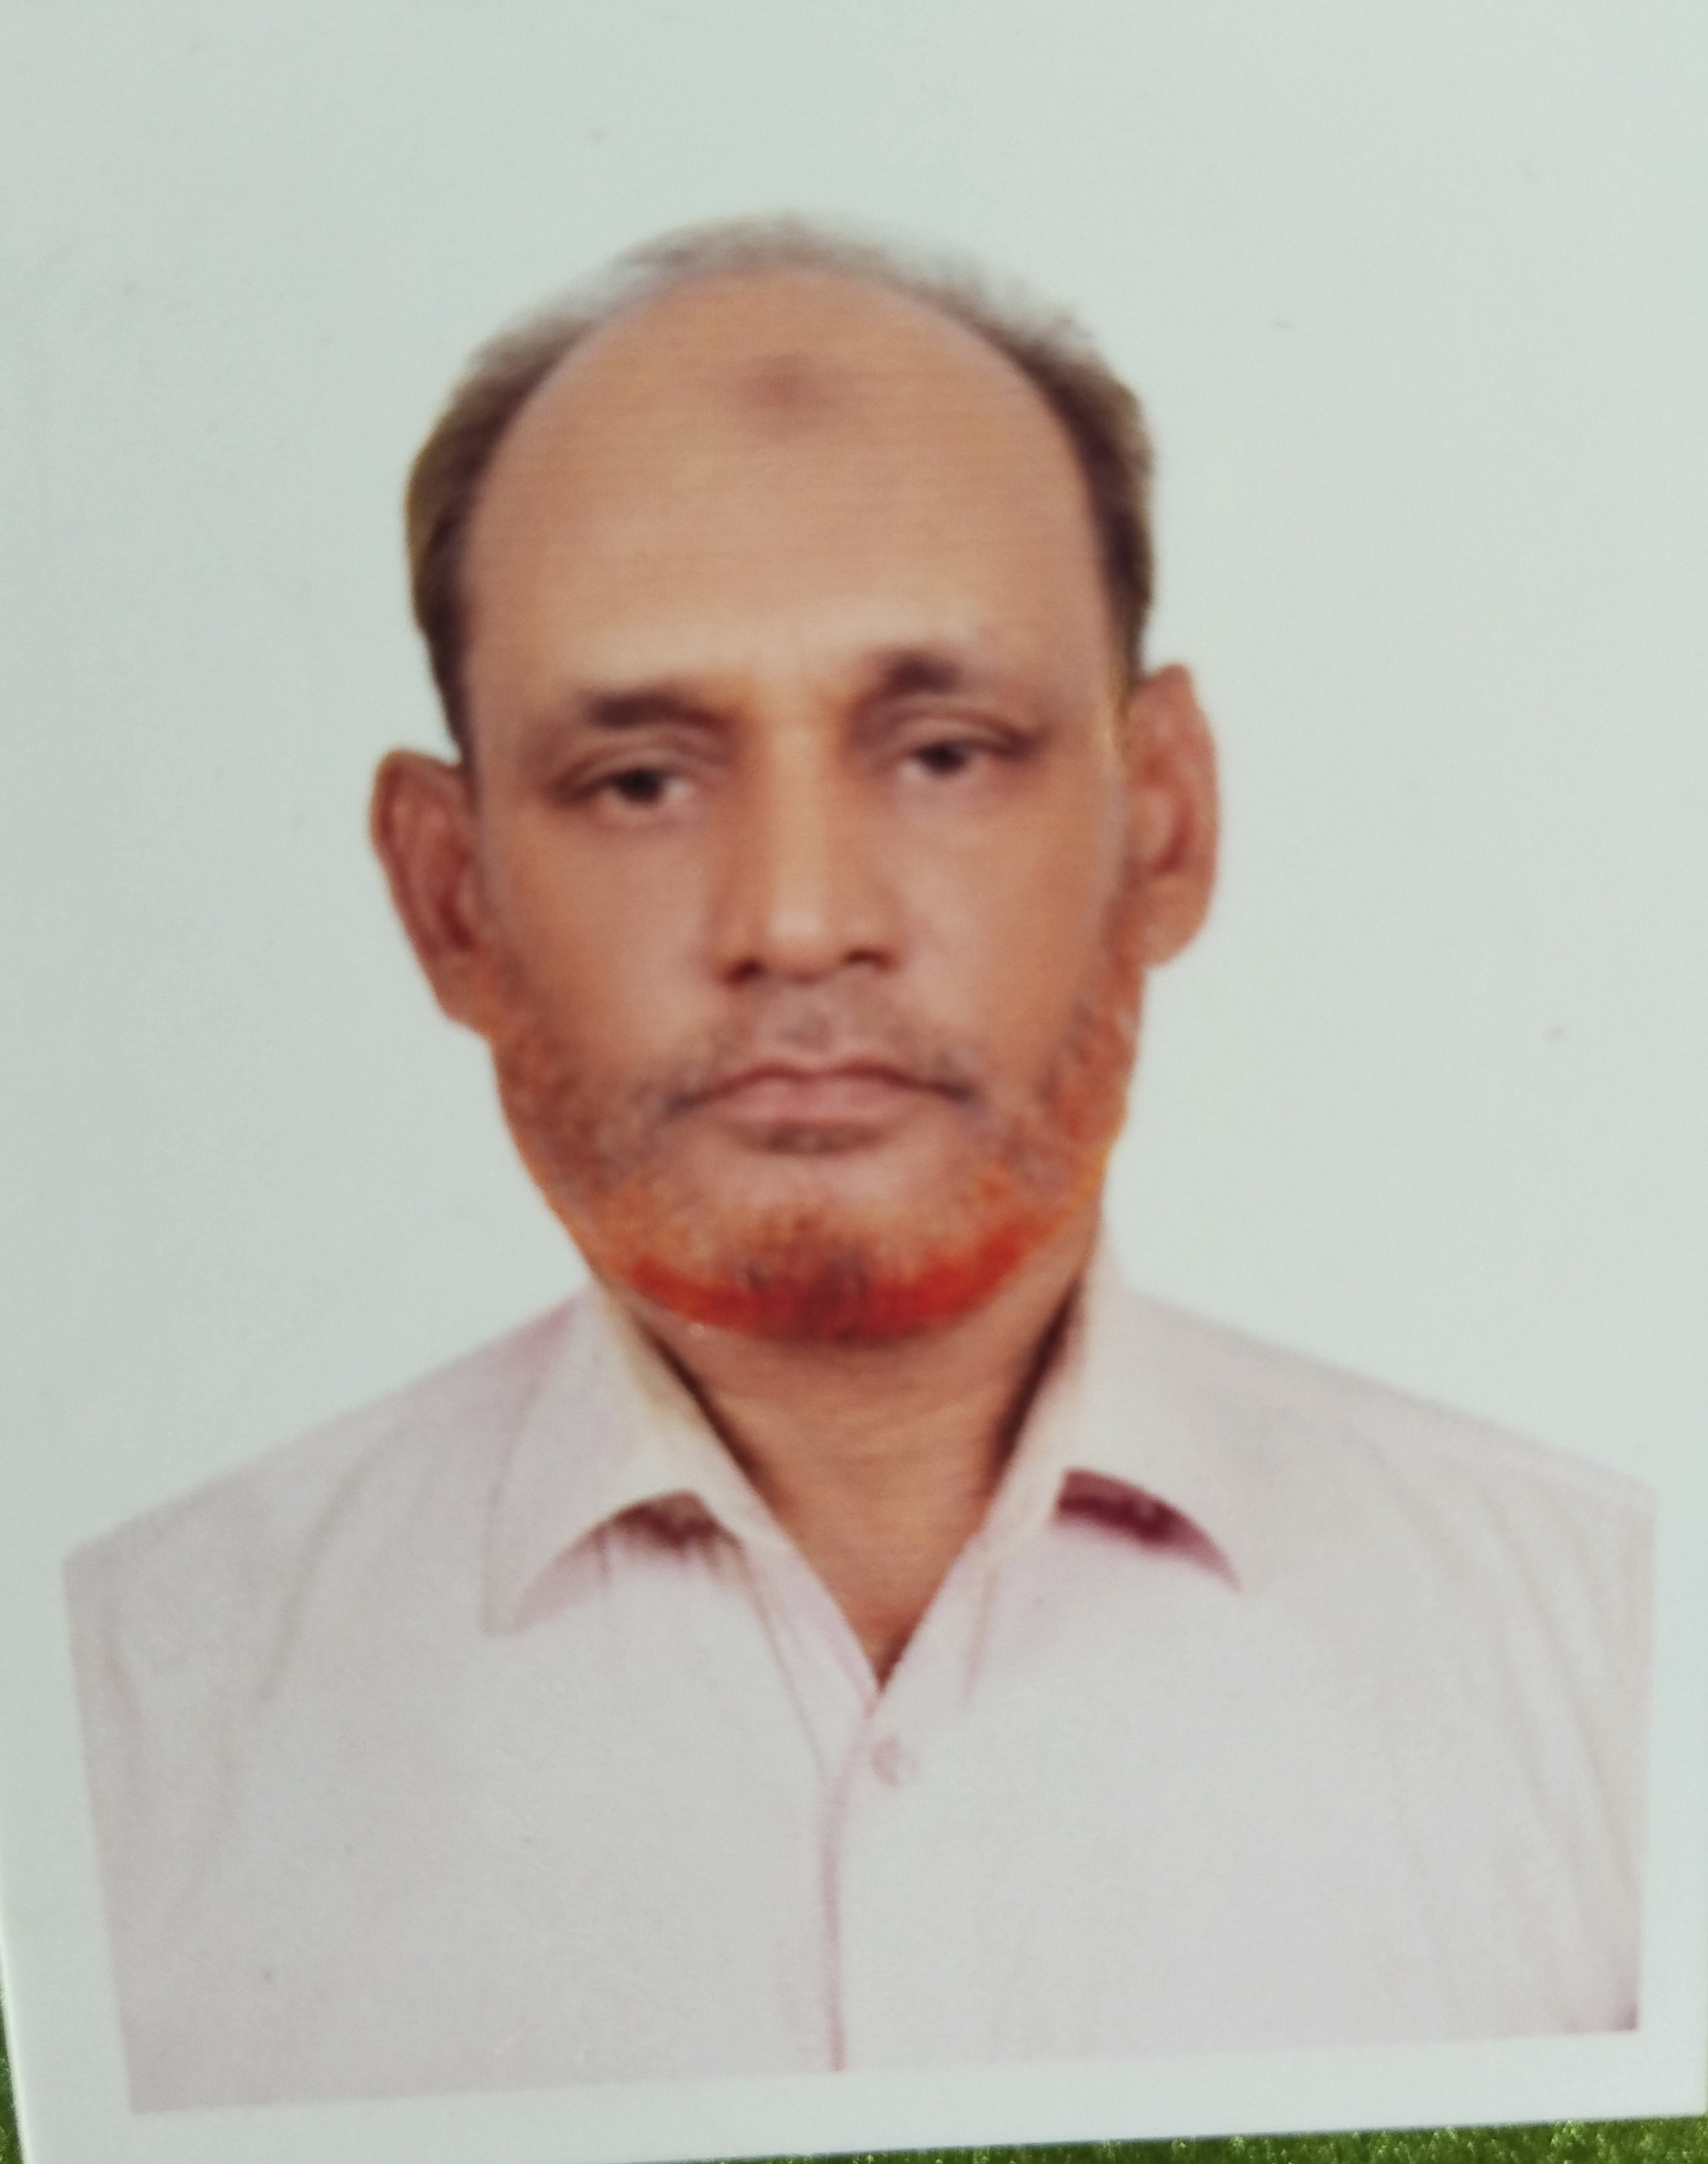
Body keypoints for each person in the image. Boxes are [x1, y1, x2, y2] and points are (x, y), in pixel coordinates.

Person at [67, 221, 1652, 2111]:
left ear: (1162, 822)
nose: (800, 920)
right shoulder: (109, 1734)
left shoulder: (1618, 1660)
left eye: (945, 752)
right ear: (448, 894)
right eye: (641, 779)